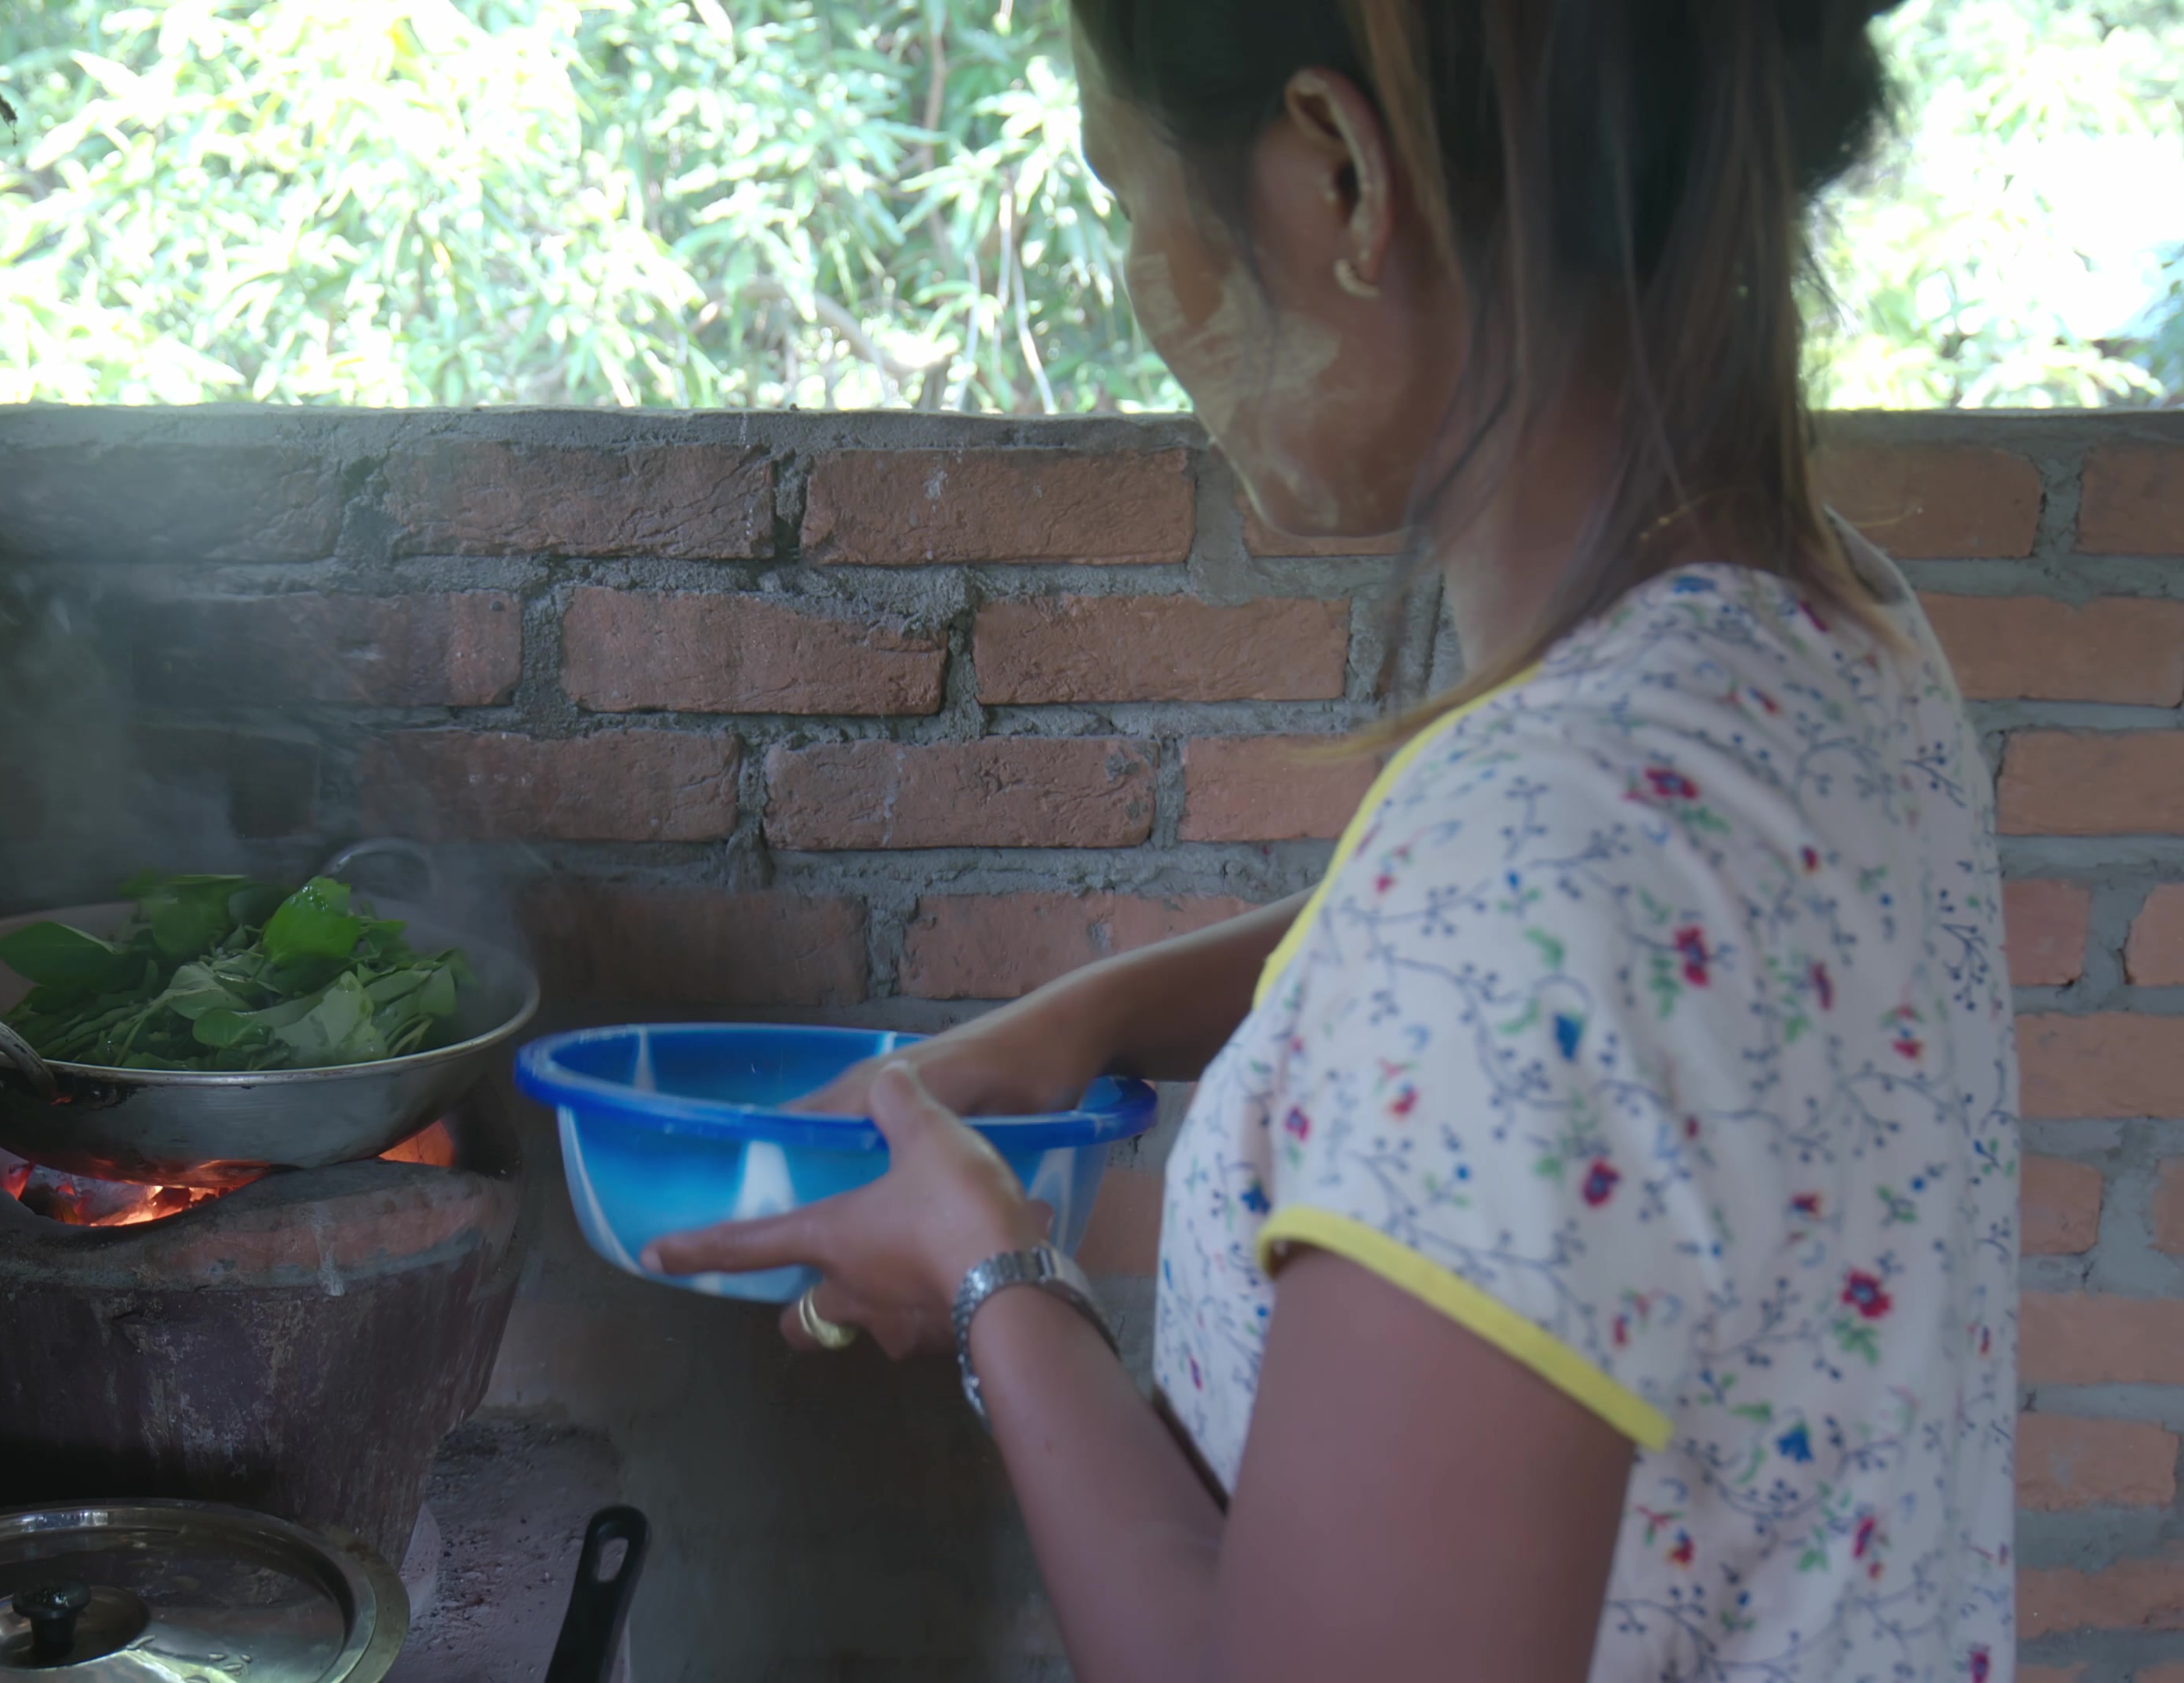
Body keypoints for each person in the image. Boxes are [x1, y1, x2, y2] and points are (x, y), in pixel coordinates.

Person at [640, 3, 2018, 1679]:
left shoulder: (1522, 864)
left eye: (1118, 185)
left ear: (1346, 177)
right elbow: (1574, 974)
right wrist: (1089, 1022)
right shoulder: (1832, 636)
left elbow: (1511, 944)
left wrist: (996, 1281)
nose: (1140, 278)